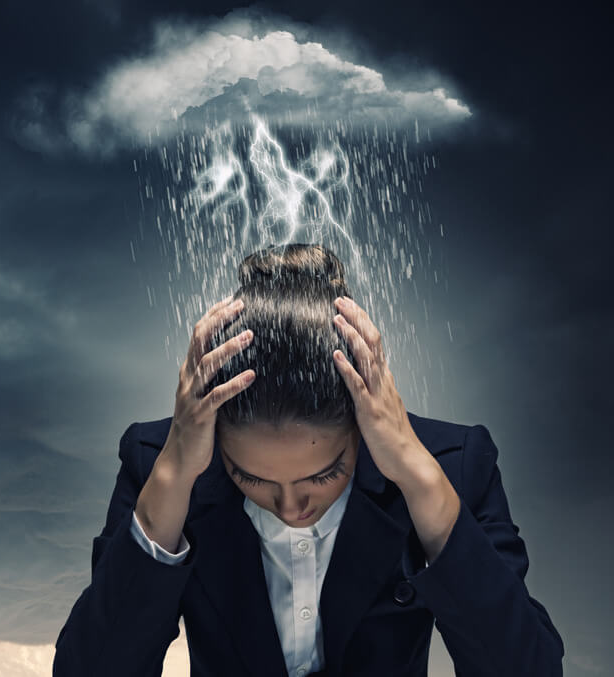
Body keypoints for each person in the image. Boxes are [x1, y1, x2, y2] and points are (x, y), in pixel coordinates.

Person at [53, 243, 564, 676]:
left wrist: (420, 478)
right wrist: (171, 479)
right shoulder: (161, 468)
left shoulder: (453, 467)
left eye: (324, 473)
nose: (291, 506)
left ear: (363, 426)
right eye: (249, 476)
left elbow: (529, 667)